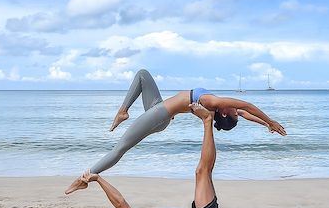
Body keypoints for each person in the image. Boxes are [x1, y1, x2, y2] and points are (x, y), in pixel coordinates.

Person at [65, 68, 286, 194]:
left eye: (234, 113)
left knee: (120, 148)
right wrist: (267, 124)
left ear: (225, 114)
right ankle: (123, 111)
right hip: (159, 109)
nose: (236, 110)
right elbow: (246, 113)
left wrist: (271, 120)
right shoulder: (219, 107)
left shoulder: (214, 102)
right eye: (236, 112)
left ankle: (84, 178)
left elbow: (246, 106)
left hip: (160, 116)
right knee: (142, 75)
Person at [76, 103, 225, 208]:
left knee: (205, 172)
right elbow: (120, 203)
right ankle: (207, 120)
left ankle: (208, 120)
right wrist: (98, 178)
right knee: (202, 172)